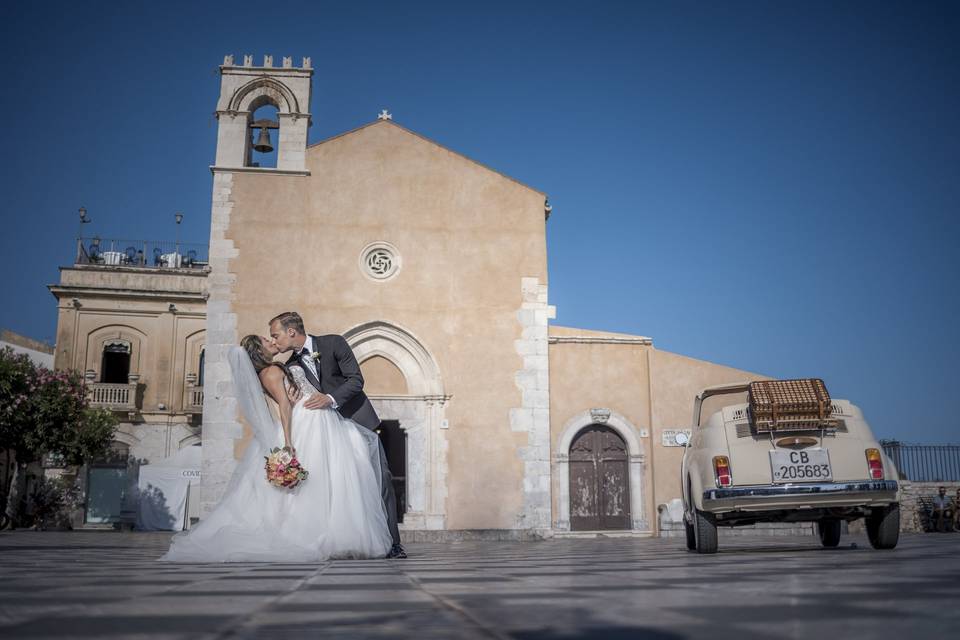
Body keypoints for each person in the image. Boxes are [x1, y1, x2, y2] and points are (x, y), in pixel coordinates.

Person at [160, 334, 393, 562]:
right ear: (258, 351)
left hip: (316, 418)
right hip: (305, 423)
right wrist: (289, 442)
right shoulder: (270, 372)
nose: (272, 340)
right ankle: (316, 534)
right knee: (320, 478)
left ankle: (329, 531)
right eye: (266, 340)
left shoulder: (277, 367)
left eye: (272, 336)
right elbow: (284, 406)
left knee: (328, 476)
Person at [269, 311, 407, 559]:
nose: (275, 341)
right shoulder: (290, 366)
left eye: (276, 335)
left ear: (291, 332)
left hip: (357, 421)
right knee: (343, 485)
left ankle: (393, 543)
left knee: (379, 479)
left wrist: (330, 399)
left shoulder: (333, 343)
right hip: (325, 435)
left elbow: (356, 380)